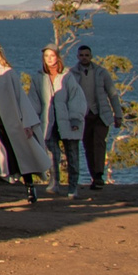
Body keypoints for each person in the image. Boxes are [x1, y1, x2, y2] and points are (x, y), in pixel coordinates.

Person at [0, 37, 52, 205]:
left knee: (21, 154)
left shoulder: (7, 72)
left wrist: (27, 123)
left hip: (11, 122)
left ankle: (30, 188)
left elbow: (21, 99)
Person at [39, 44, 88, 198]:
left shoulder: (68, 76)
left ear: (57, 57)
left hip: (68, 122)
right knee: (52, 155)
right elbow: (34, 100)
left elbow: (77, 99)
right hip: (49, 122)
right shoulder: (39, 77)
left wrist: (75, 119)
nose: (49, 59)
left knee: (72, 154)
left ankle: (73, 187)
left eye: (52, 56)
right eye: (46, 56)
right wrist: (30, 120)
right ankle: (54, 183)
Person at [75, 44, 126, 193]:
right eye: (81, 55)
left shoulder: (101, 73)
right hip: (83, 117)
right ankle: (94, 176)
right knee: (88, 146)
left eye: (87, 55)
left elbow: (113, 94)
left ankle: (99, 175)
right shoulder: (72, 74)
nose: (84, 57)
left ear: (91, 56)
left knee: (99, 143)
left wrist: (118, 115)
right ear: (78, 57)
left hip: (100, 115)